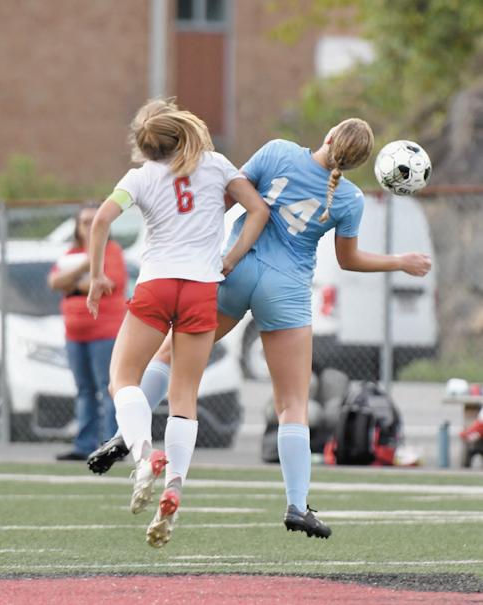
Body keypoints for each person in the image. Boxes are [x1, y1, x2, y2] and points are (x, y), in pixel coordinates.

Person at [88, 118, 433, 540]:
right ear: (361, 162)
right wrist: (400, 261)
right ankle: (296, 504)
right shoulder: (349, 198)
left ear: (327, 137)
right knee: (292, 403)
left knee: (167, 358)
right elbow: (348, 260)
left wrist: (213, 250)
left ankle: (129, 437)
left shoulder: (279, 152)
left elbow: (230, 198)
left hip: (237, 267)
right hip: (285, 290)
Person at [86, 98, 269, 548]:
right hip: (202, 288)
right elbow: (258, 210)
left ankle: (145, 456)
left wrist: (96, 277)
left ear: (145, 145)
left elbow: (102, 220)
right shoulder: (217, 165)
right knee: (184, 397)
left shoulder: (141, 176)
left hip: (157, 285)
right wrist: (230, 257)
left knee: (122, 379)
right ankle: (176, 487)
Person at [49, 201, 128, 461]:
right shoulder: (71, 252)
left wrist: (74, 280)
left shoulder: (112, 250)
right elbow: (54, 282)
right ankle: (84, 445)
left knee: (108, 388)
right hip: (74, 334)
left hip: (104, 332)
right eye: (84, 221)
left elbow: (109, 284)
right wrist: (86, 269)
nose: (89, 226)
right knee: (84, 390)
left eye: (94, 221)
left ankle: (111, 445)